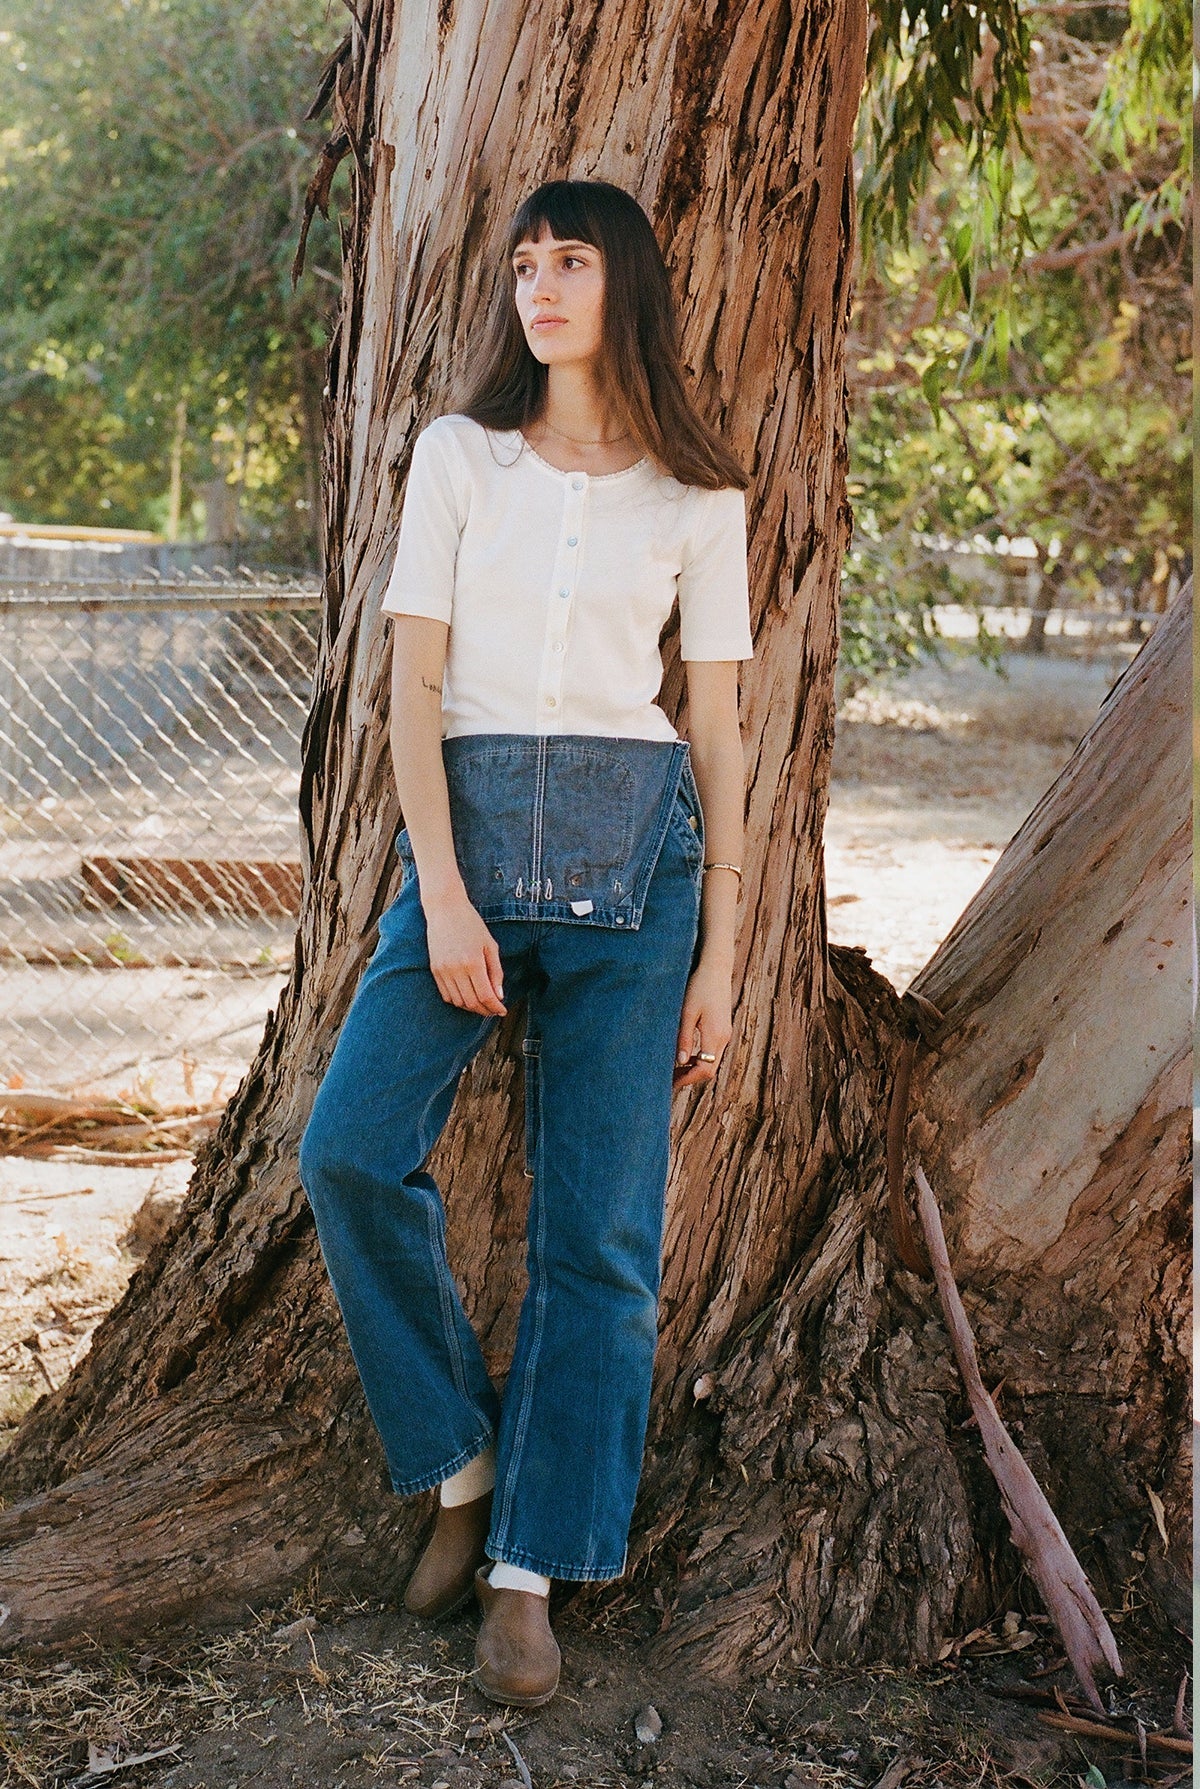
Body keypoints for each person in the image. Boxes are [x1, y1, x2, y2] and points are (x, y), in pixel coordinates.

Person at [298, 177, 755, 1708]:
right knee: (350, 1148)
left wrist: (727, 951)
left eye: (570, 262)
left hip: (642, 874)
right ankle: (459, 1458)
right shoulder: (459, 456)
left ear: (625, 281)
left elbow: (726, 731)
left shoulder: (700, 498)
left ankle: (527, 1572)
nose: (539, 288)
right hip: (469, 849)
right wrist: (439, 887)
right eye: (523, 266)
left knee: (600, 1242)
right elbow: (413, 692)